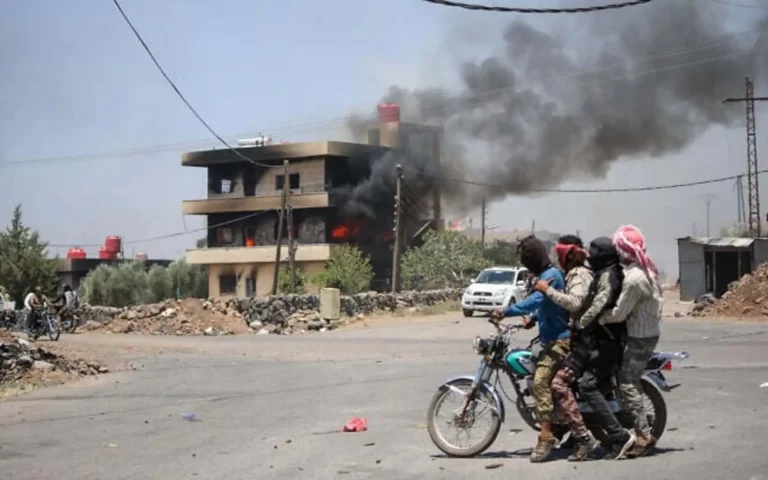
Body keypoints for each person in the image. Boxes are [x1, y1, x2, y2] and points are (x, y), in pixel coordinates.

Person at [492, 235, 570, 463]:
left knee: (540, 382)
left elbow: (537, 299)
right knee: (532, 373)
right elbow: (544, 306)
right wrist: (532, 319)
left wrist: (506, 311)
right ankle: (557, 424)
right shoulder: (546, 275)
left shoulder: (551, 277)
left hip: (560, 340)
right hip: (548, 338)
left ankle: (546, 436)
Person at [533, 234, 599, 461]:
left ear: (566, 255)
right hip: (579, 337)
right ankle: (567, 428)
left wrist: (546, 290)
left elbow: (574, 303)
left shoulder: (579, 275)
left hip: (585, 341)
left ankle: (582, 437)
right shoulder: (570, 274)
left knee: (556, 384)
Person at [601, 225, 662, 458]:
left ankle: (643, 434)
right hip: (647, 331)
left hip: (639, 336)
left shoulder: (634, 279)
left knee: (627, 382)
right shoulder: (646, 270)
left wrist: (599, 317)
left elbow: (619, 313)